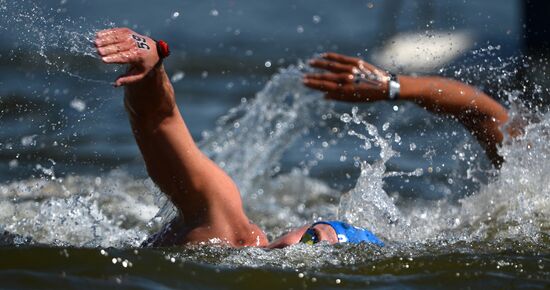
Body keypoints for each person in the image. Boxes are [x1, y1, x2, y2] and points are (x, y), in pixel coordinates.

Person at [94, 27, 511, 248]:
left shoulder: (232, 242)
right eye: (314, 236)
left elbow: (157, 123)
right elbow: (494, 118)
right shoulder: (228, 226)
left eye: (315, 242)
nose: (303, 247)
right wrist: (392, 87)